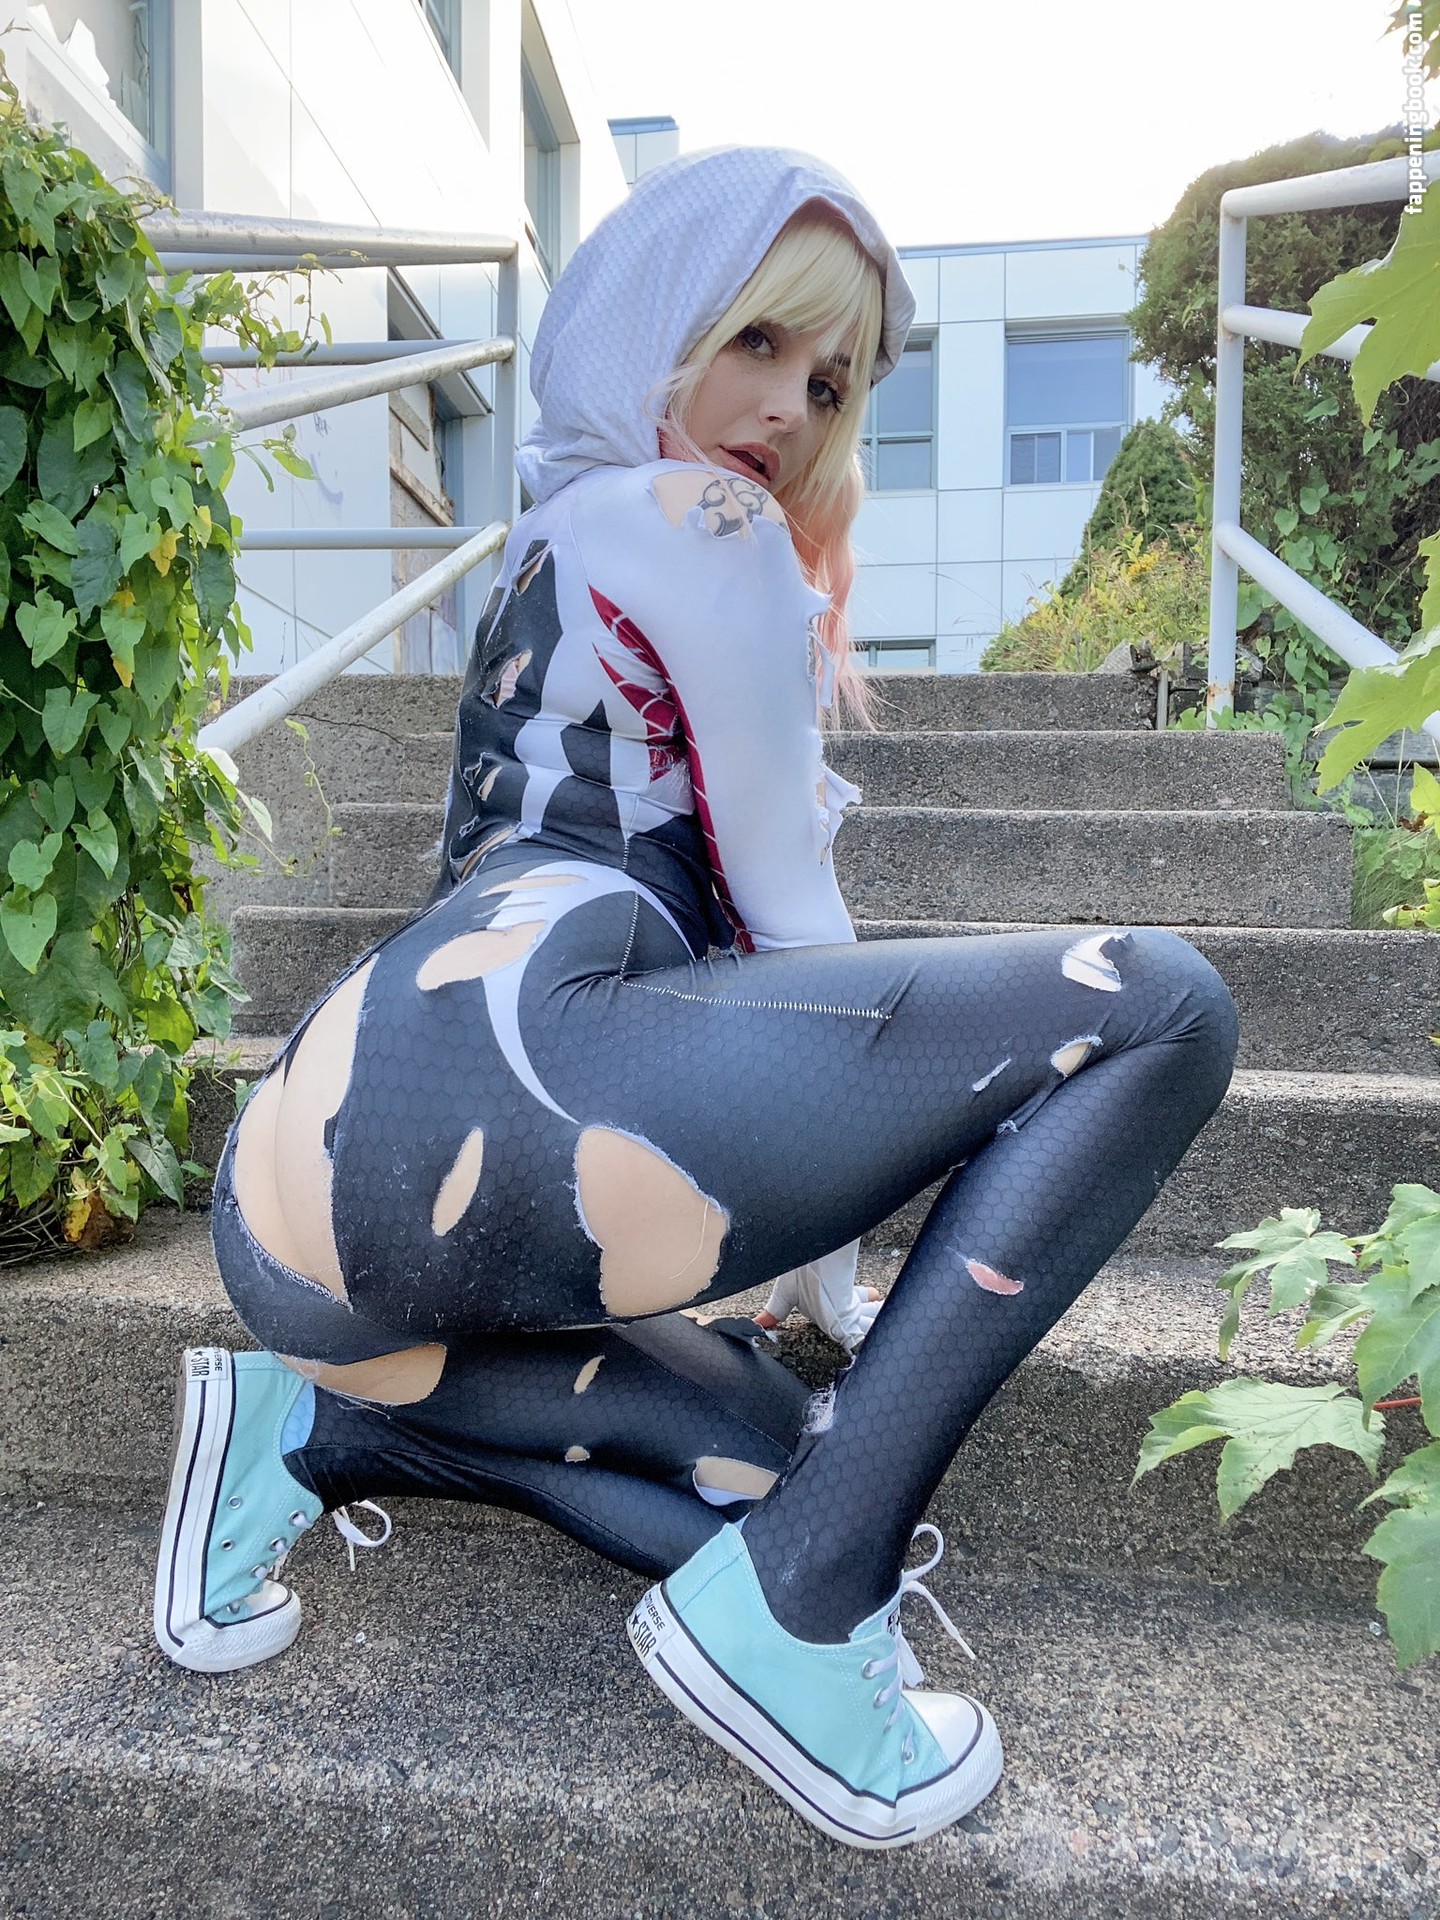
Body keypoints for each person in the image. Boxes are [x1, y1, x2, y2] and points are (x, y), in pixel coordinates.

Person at [153, 148, 1238, 1851]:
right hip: (508, 1074)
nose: (791, 411)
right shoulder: (705, 523)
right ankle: (803, 1613)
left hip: (301, 1188)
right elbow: (797, 937)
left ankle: (298, 1433)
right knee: (1161, 1005)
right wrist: (840, 1268)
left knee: (770, 1450)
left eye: (832, 384)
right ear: (656, 321)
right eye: (758, 343)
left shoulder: (541, 550)